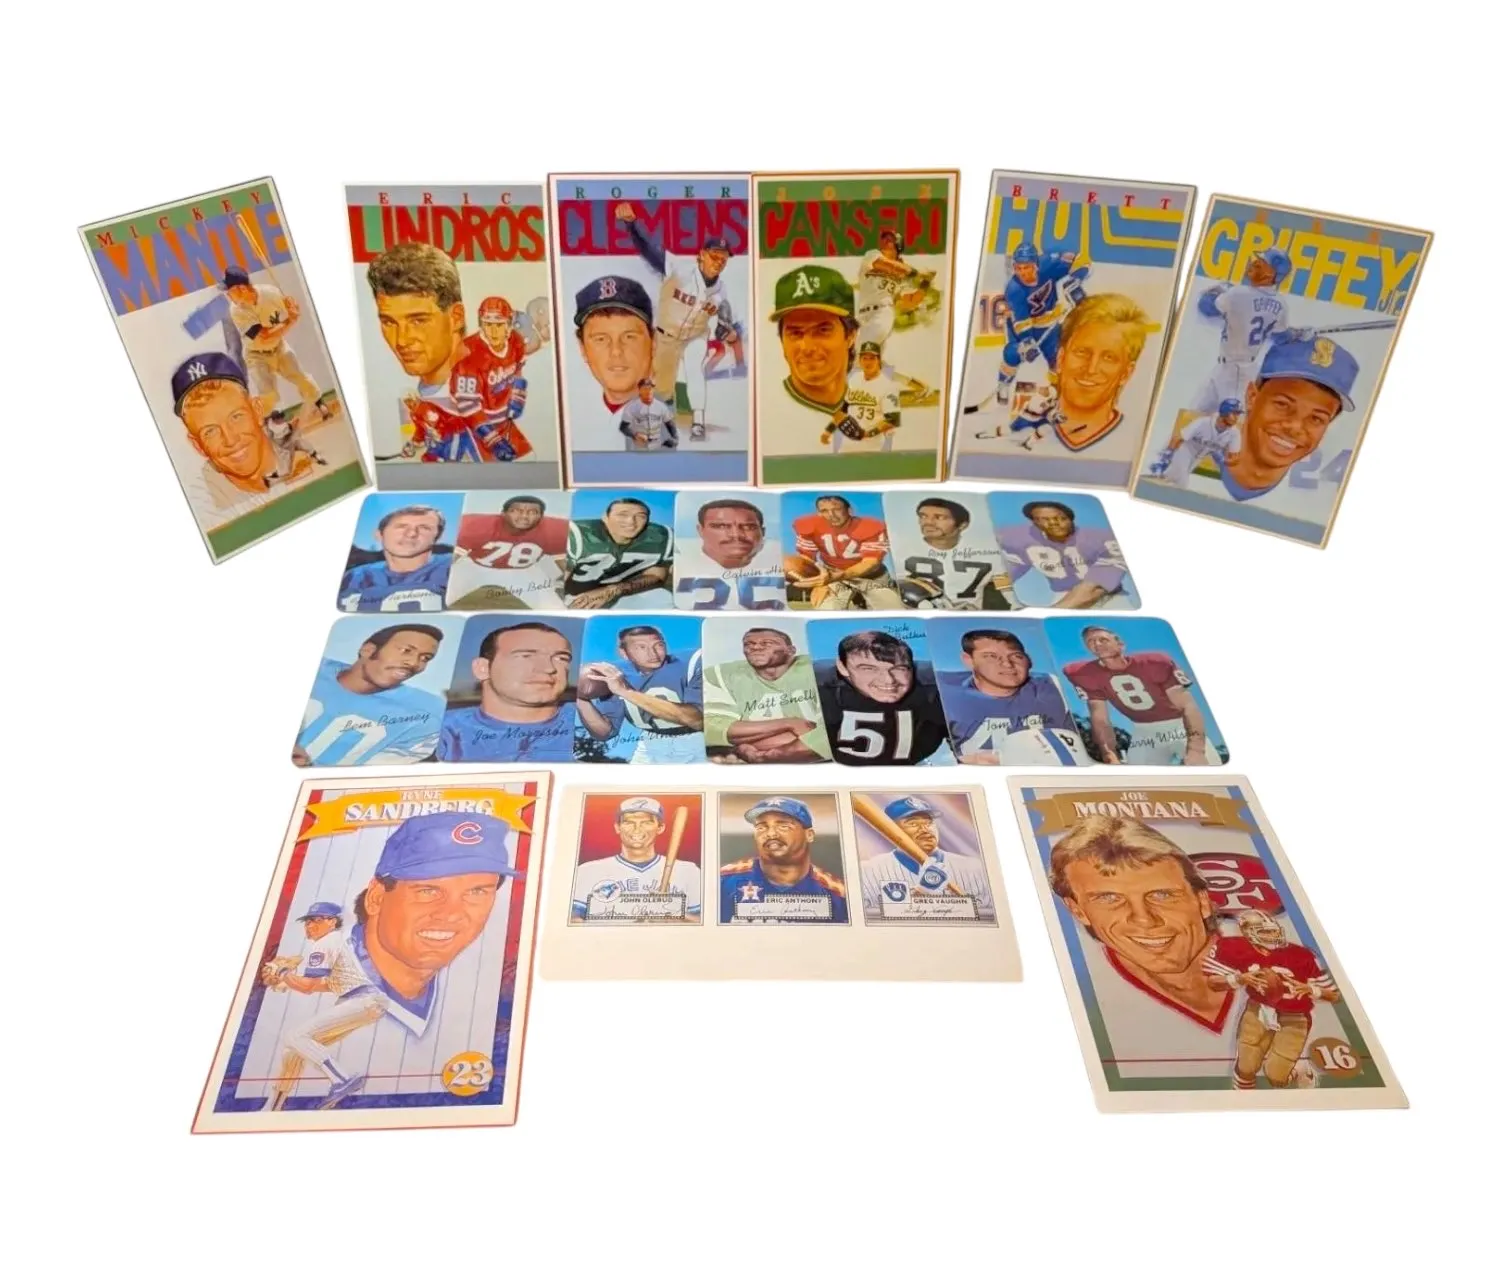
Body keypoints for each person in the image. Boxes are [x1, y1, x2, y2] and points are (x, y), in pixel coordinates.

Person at [261, 813, 519, 1110]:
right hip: (367, 1001)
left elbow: (307, 986)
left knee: (296, 1036)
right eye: (428, 890)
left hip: (365, 1001)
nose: (451, 914)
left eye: (477, 891)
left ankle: (340, 1080)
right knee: (295, 1048)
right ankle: (273, 1107)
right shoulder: (341, 946)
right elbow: (327, 984)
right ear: (376, 898)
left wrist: (283, 972)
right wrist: (285, 979)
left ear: (330, 922)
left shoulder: (327, 944)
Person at [1049, 814, 1229, 1026]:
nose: (1144, 920)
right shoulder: (1072, 991)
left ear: (1202, 901)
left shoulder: (1256, 945)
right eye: (1109, 898)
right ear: (1078, 910)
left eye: (1162, 895)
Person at [365, 242, 524, 463]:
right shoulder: (412, 397)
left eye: (418, 321)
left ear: (456, 317)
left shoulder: (482, 379)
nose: (401, 340)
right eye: (389, 322)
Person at [618, 201, 736, 436]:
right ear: (701, 255)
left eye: (723, 259)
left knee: (694, 368)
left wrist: (726, 328)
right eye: (714, 256)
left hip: (695, 337)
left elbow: (723, 316)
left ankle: (698, 422)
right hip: (667, 336)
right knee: (662, 386)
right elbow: (649, 249)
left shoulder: (720, 290)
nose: (718, 262)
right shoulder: (678, 268)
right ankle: (663, 422)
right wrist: (632, 224)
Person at [1204, 909, 1340, 1090]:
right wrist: (1239, 979)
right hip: (1258, 1009)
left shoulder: (1302, 955)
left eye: (1273, 931)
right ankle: (1243, 1100)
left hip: (1294, 1016)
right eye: (1265, 932)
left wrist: (1312, 989)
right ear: (1248, 933)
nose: (1272, 936)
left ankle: (1298, 1071)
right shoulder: (1233, 947)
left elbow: (1334, 995)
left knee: (1276, 1076)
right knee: (1246, 1067)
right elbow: (1213, 983)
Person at [1216, 334, 1360, 503]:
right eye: (1283, 405)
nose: (1295, 427)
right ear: (1252, 397)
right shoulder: (1198, 446)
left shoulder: (1321, 501)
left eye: (1316, 418)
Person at [293, 623, 446, 766]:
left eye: (425, 658)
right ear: (368, 650)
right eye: (406, 650)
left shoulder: (428, 713)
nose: (414, 663)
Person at [1063, 625, 1219, 765]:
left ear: (1120, 644)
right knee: (1138, 779)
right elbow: (1100, 719)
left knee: (1209, 771)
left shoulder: (1156, 662)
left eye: (1103, 639)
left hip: (1180, 727)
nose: (1097, 644)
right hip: (1144, 733)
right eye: (1090, 642)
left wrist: (1196, 749)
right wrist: (1109, 754)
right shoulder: (1083, 674)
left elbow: (1187, 706)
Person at [173, 352, 309, 510]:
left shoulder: (303, 455)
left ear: (257, 411)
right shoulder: (203, 504)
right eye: (210, 432)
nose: (230, 440)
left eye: (236, 417)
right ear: (198, 446)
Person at [937, 628, 1086, 765]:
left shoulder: (1053, 686)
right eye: (991, 656)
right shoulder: (943, 690)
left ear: (1029, 660)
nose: (1007, 664)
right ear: (969, 660)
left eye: (1016, 656)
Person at [437, 622, 576, 762]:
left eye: (561, 658)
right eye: (525, 656)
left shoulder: (586, 721)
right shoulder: (443, 730)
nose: (548, 668)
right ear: (482, 668)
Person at [817, 630, 949, 765]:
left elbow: (962, 748)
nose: (888, 680)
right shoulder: (817, 686)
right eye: (868, 668)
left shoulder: (939, 688)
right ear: (842, 667)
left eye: (899, 668)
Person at [576, 624, 704, 763]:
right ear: (624, 653)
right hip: (650, 744)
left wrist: (625, 691)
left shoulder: (691, 662)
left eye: (659, 645)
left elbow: (697, 720)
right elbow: (604, 733)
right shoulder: (614, 673)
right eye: (641, 647)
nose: (653, 653)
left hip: (697, 741)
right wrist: (580, 698)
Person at [703, 627, 830, 764]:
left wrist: (763, 754)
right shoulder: (722, 674)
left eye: (767, 643)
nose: (756, 647)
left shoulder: (821, 671)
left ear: (791, 650)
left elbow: (830, 736)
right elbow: (712, 730)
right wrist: (789, 724)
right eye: (749, 644)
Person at [858, 796, 994, 919]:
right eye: (913, 823)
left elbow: (990, 918)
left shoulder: (976, 868)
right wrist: (921, 893)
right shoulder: (868, 871)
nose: (925, 829)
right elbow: (866, 920)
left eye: (929, 822)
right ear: (889, 829)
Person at [570, 796, 701, 923]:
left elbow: (704, 923)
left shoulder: (688, 871)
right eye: (629, 822)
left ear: (660, 828)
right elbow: (571, 920)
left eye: (646, 822)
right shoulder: (588, 871)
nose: (637, 829)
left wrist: (672, 916)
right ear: (617, 827)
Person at [718, 797, 848, 924]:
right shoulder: (722, 881)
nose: (771, 834)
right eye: (761, 827)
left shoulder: (839, 895)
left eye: (783, 826)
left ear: (809, 835)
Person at [1051, 293, 1151, 450]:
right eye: (1082, 352)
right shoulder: (1020, 430)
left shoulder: (1137, 443)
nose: (1091, 369)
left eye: (1109, 358)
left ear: (1126, 373)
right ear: (1060, 359)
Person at [222, 264, 323, 419]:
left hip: (279, 347)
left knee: (301, 378)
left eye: (230, 291)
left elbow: (290, 307)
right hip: (256, 355)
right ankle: (266, 423)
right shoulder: (236, 310)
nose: (228, 296)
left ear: (242, 288)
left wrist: (292, 306)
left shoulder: (271, 293)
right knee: (268, 395)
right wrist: (290, 320)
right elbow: (264, 336)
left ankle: (319, 404)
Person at [767, 265, 858, 435]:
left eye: (822, 330)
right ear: (782, 341)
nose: (807, 347)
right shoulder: (768, 413)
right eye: (795, 333)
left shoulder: (871, 398)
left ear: (851, 335)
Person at [994, 243, 1088, 406]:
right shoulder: (1014, 289)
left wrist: (1075, 281)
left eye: (1027, 267)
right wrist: (1027, 343)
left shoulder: (1049, 264)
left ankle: (1054, 393)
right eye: (1018, 268)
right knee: (1012, 354)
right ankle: (1003, 384)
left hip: (1050, 324)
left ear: (1036, 265)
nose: (1022, 272)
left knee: (1057, 359)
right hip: (1022, 327)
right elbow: (1021, 322)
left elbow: (1082, 260)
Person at [572, 275, 661, 445]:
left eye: (629, 337)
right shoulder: (577, 418)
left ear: (653, 342)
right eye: (601, 339)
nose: (616, 352)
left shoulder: (677, 415)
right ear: (582, 348)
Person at [995, 500, 1132, 608]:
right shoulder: (1022, 541)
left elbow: (1094, 589)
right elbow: (1005, 575)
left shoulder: (1102, 539)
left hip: (1108, 599)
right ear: (1034, 522)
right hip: (1061, 597)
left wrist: (1051, 612)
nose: (1053, 523)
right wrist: (998, 596)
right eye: (1044, 519)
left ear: (1070, 518)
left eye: (1059, 518)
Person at [449, 494, 569, 609]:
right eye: (516, 511)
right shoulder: (476, 524)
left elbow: (563, 562)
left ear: (541, 517)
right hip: (474, 567)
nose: (524, 516)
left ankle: (557, 587)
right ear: (503, 513)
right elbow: (453, 557)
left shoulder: (553, 529)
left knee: (554, 608)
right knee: (442, 594)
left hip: (523, 571)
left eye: (533, 512)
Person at [895, 496, 1009, 611]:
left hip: (967, 616)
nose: (928, 522)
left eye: (939, 517)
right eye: (923, 516)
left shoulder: (988, 553)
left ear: (962, 525)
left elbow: (1007, 588)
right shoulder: (898, 551)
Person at [790, 494, 902, 610]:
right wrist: (818, 583)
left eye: (837, 509)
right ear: (818, 513)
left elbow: (870, 562)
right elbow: (806, 559)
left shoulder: (871, 526)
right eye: (824, 511)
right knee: (827, 610)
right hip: (832, 574)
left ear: (849, 510)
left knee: (894, 610)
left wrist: (837, 576)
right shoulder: (809, 526)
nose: (831, 515)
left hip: (871, 577)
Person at [563, 496, 673, 609]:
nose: (631, 521)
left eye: (641, 516)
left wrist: (613, 590)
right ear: (605, 517)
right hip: (571, 597)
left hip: (618, 594)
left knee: (661, 597)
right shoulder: (576, 534)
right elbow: (557, 579)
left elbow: (656, 576)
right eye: (622, 515)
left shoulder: (660, 537)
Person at [675, 498, 785, 611]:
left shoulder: (783, 557)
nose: (736, 534)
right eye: (721, 526)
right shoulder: (678, 557)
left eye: (748, 527)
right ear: (700, 530)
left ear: (763, 532)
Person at [339, 504, 451, 613]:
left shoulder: (452, 567)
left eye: (424, 528)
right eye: (401, 526)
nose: (411, 533)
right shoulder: (353, 577)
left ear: (438, 536)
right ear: (379, 534)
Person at [827, 341, 901, 453]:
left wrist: (867, 434)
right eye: (864, 358)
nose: (868, 362)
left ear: (879, 360)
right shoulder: (854, 379)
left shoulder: (888, 386)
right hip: (848, 443)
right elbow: (843, 409)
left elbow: (893, 420)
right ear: (860, 360)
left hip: (872, 446)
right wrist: (829, 430)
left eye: (872, 358)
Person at [1151, 398, 1243, 487]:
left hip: (1197, 458)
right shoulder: (1203, 423)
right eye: (1235, 413)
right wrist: (1164, 459)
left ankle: (1156, 483)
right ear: (1225, 412)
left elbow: (1232, 456)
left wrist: (1223, 461)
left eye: (1238, 414)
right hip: (1184, 451)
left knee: (1171, 478)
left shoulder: (1234, 433)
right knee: (1181, 483)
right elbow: (1178, 438)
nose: (1237, 418)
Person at [619, 378, 678, 451]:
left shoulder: (661, 406)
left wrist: (675, 438)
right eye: (645, 389)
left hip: (657, 445)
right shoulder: (632, 407)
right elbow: (623, 427)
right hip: (639, 445)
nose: (648, 391)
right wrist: (635, 435)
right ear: (639, 390)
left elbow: (670, 423)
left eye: (650, 388)